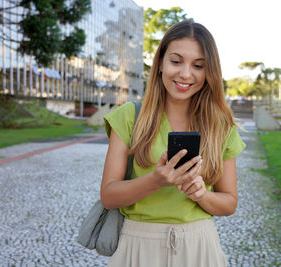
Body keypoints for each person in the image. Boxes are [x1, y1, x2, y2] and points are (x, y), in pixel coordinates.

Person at [101, 20, 246, 267]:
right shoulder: (128, 117)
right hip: (138, 247)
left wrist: (202, 195)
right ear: (160, 64)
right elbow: (108, 196)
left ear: (209, 72)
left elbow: (229, 202)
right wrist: (156, 180)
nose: (186, 74)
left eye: (198, 65)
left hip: (200, 248)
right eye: (176, 61)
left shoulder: (221, 126)